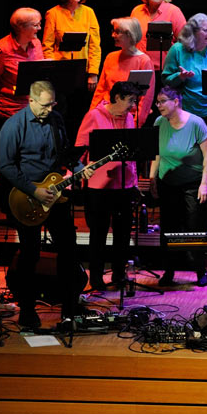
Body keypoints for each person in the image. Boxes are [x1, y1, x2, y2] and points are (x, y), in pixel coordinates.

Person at [0, 80, 94, 327]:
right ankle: (27, 310)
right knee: (30, 253)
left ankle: (69, 308)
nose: (48, 110)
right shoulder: (13, 126)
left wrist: (79, 168)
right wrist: (34, 191)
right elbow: (6, 166)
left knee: (68, 247)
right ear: (30, 101)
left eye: (52, 104)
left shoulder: (56, 120)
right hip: (26, 195)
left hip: (54, 193)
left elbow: (64, 153)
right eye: (44, 106)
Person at [75, 81, 140, 292]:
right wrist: (81, 169)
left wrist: (135, 182)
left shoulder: (129, 118)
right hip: (99, 187)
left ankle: (119, 275)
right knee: (98, 234)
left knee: (122, 235)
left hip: (124, 184)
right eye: (130, 100)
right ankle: (96, 278)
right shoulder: (94, 116)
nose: (133, 105)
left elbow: (132, 154)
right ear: (118, 97)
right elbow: (79, 148)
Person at [149, 86, 207, 287]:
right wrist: (152, 179)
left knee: (194, 227)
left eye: (162, 101)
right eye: (157, 102)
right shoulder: (159, 123)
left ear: (176, 101)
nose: (158, 106)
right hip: (168, 182)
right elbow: (156, 153)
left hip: (192, 184)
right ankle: (169, 270)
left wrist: (204, 183)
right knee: (169, 228)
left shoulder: (196, 123)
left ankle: (201, 270)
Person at [162, 13, 207, 164]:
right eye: (206, 30)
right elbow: (165, 79)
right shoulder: (178, 50)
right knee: (189, 156)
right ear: (193, 32)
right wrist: (180, 77)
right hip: (188, 112)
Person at [0, 7, 45, 137]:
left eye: (39, 24)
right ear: (21, 28)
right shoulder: (2, 50)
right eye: (36, 25)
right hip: (11, 113)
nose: (39, 28)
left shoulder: (36, 44)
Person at [41, 0, 101, 94]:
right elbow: (47, 46)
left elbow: (95, 46)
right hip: (60, 72)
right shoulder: (53, 13)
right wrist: (51, 71)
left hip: (82, 73)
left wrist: (93, 73)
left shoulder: (89, 12)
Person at [92, 17, 156, 126]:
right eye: (113, 31)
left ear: (129, 35)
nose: (113, 35)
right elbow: (100, 90)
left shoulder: (144, 61)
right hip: (105, 115)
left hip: (128, 118)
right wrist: (92, 115)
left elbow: (146, 99)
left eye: (117, 32)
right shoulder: (110, 57)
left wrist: (136, 123)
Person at [131, 0, 187, 69]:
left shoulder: (174, 11)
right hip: (139, 67)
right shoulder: (137, 11)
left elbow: (185, 41)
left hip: (166, 69)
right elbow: (131, 40)